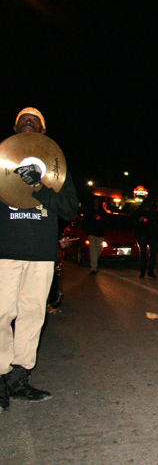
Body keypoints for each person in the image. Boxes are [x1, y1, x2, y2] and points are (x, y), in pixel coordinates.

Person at [0, 107, 79, 412]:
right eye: (23, 120)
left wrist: (37, 185)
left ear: (43, 132)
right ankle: (1, 377)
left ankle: (20, 379)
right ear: (15, 128)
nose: (29, 123)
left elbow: (69, 208)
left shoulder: (56, 167)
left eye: (35, 121)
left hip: (41, 254)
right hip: (5, 251)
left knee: (33, 316)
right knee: (2, 313)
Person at [132, 200, 158, 278]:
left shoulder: (153, 213)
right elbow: (134, 224)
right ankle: (142, 272)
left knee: (153, 253)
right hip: (143, 235)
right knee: (143, 253)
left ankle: (150, 271)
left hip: (152, 235)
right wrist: (139, 221)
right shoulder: (138, 213)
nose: (147, 208)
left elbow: (156, 224)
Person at [82, 196, 108, 275]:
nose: (96, 203)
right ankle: (93, 268)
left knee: (98, 250)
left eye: (97, 201)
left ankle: (94, 263)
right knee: (93, 250)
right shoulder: (89, 211)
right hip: (91, 233)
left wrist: (100, 219)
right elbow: (85, 221)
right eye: (95, 201)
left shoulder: (102, 212)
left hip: (100, 234)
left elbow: (106, 222)